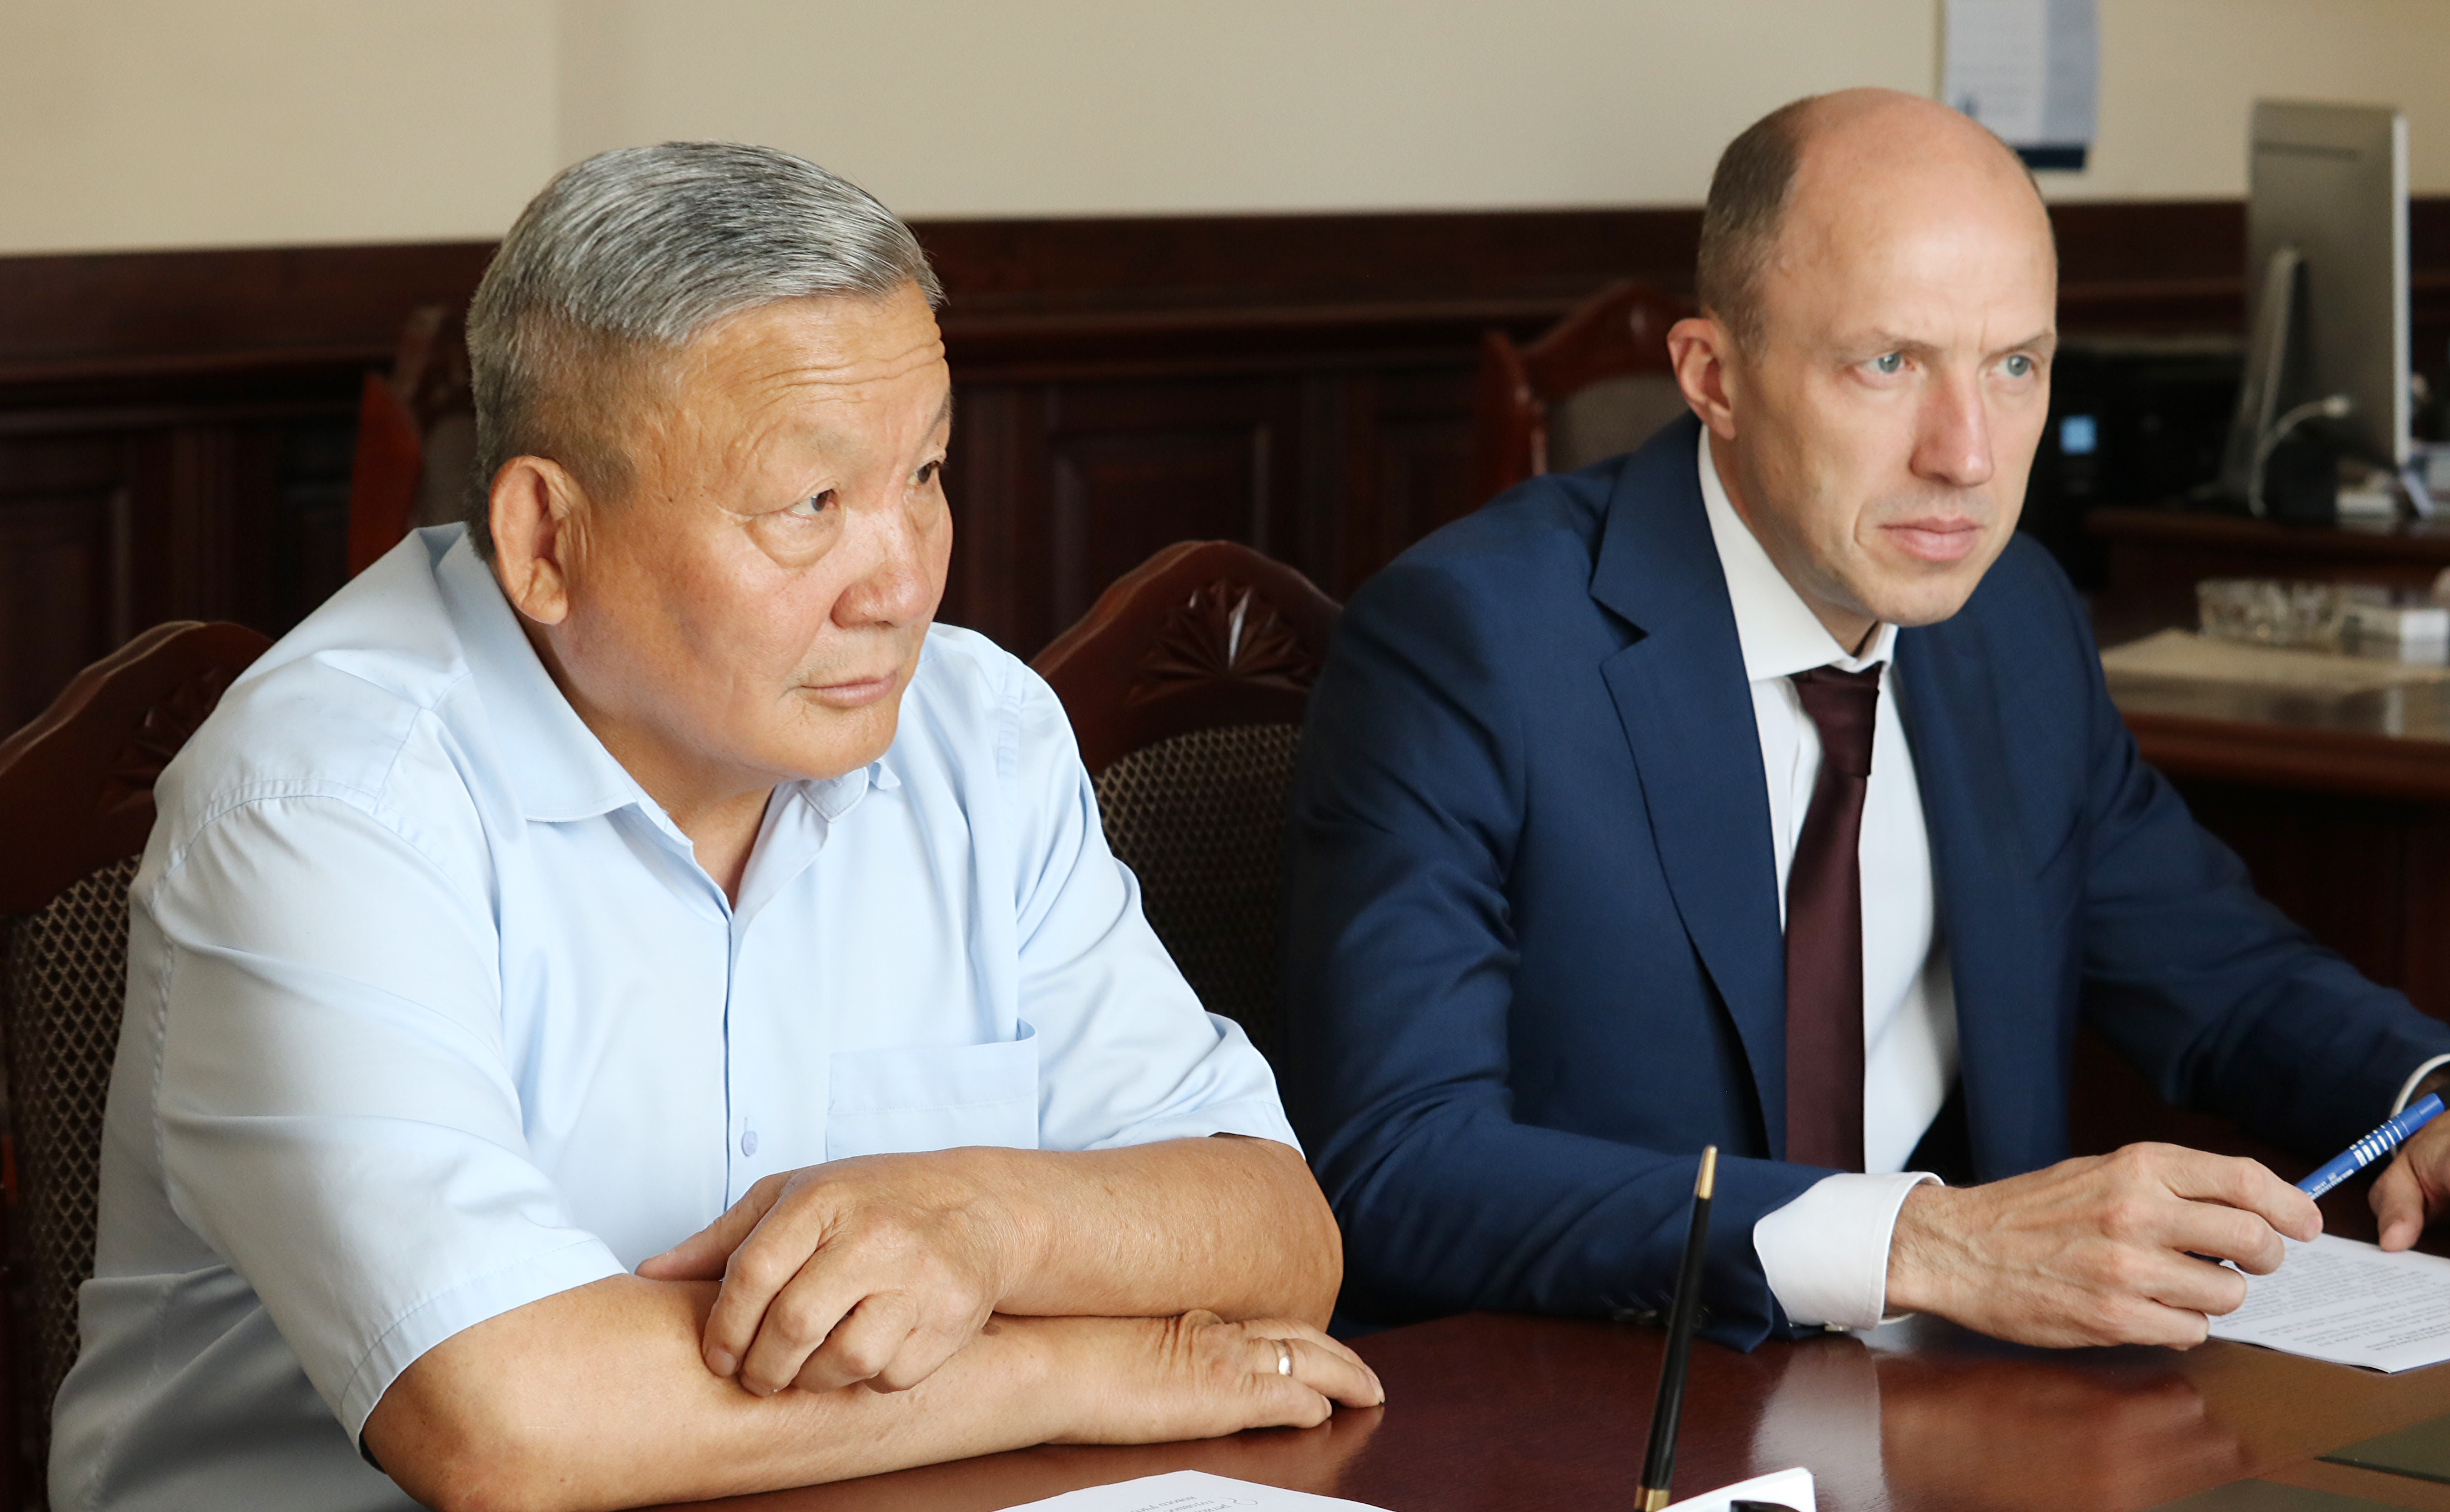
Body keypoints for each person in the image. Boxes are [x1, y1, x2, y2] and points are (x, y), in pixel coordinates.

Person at [53, 143, 1378, 1512]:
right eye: (811, 504)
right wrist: (1076, 1370)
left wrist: (987, 1220)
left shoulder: (976, 733)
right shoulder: (322, 803)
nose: (901, 585)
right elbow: (508, 1424)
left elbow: (1278, 1238)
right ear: (545, 539)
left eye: (925, 474)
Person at [1283, 89, 2450, 1352]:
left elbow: (2216, 972)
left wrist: (2425, 1093)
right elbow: (1395, 1164)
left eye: (2013, 367)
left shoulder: (2010, 619)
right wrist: (1919, 1242)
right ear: (1714, 378)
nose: (1966, 456)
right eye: (1887, 363)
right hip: (1604, 1398)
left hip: (1962, 1406)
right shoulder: (1472, 643)